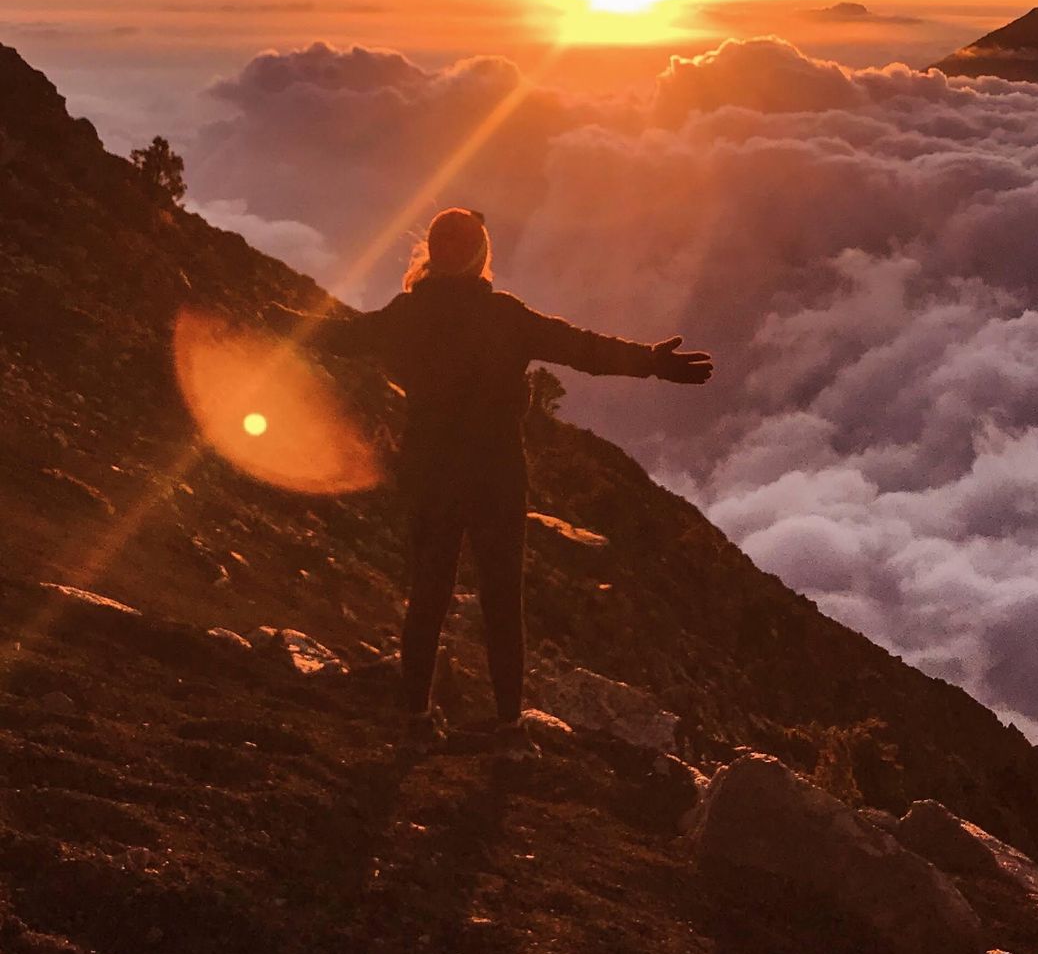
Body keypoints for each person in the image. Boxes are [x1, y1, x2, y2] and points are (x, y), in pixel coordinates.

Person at [271, 206, 712, 748]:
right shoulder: (504, 316)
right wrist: (651, 362)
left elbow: (340, 335)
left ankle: (415, 720)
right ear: (482, 257)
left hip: (429, 469)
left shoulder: (407, 315)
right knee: (503, 600)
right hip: (496, 473)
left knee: (428, 593)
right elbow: (582, 349)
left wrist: (277, 318)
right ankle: (508, 727)